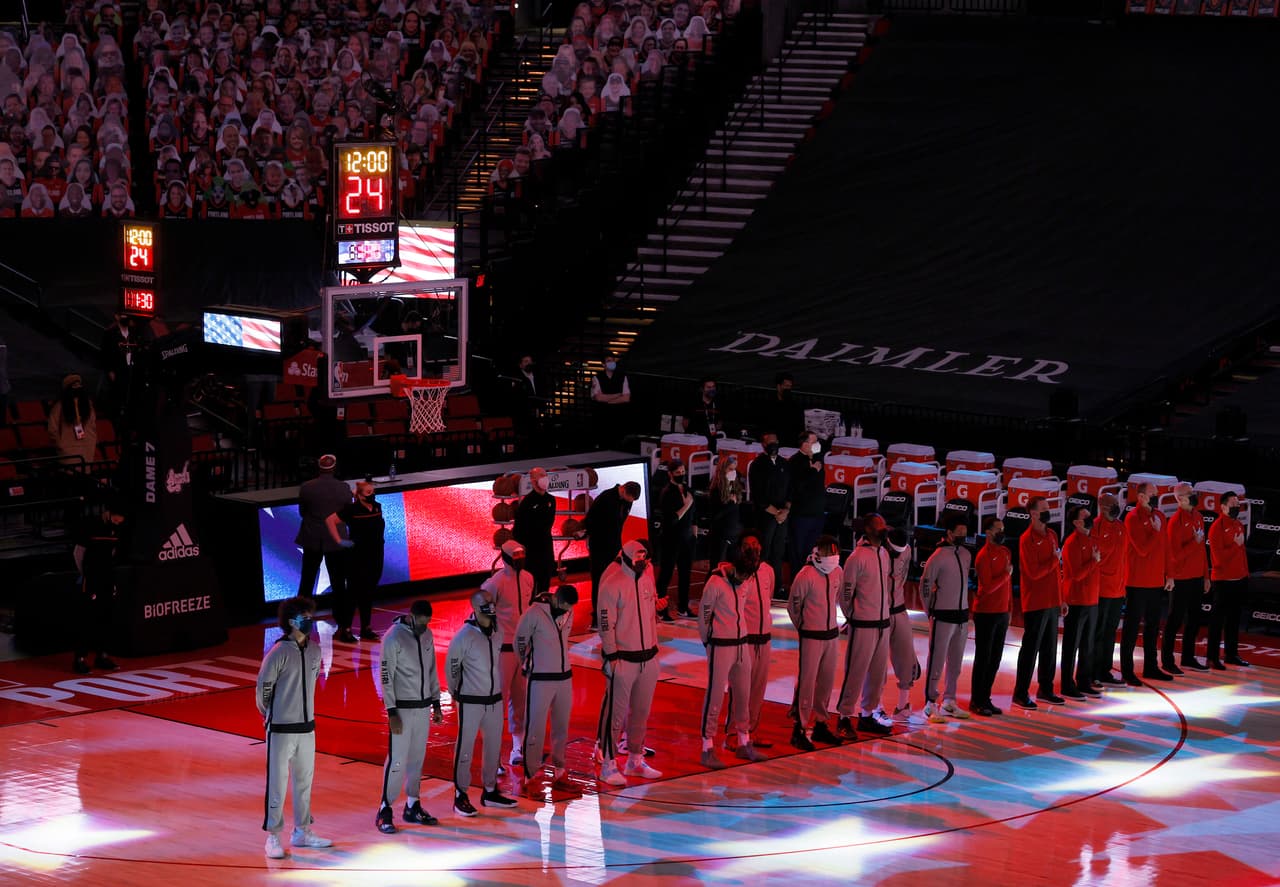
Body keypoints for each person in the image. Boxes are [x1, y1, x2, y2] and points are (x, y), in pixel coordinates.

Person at [257, 596, 332, 859]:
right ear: (291, 621)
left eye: (311, 616)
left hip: (307, 729)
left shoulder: (315, 650)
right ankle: (273, 837)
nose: (310, 621)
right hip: (280, 729)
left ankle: (302, 831)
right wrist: (271, 715)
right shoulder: (278, 652)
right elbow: (263, 690)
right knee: (277, 784)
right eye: (304, 617)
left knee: (304, 783)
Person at [596, 539, 663, 787]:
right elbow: (606, 624)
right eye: (637, 558)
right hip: (623, 659)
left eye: (644, 558)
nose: (642, 562)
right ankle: (608, 764)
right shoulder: (612, 584)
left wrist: (654, 650)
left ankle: (635, 759)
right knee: (616, 715)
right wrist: (612, 656)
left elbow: (650, 615)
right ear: (625, 558)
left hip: (648, 657)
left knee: (641, 713)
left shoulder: (647, 579)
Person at [375, 600, 446, 834]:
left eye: (427, 623)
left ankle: (413, 804)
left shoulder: (427, 635)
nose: (424, 628)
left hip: (423, 707)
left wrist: (436, 703)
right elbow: (385, 676)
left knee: (417, 758)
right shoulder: (393, 637)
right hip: (402, 709)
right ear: (411, 616)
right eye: (421, 623)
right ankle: (385, 808)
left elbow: (432, 669)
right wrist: (391, 711)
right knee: (397, 759)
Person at [698, 539, 767, 769]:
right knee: (715, 696)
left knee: (743, 695)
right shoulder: (715, 583)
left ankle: (744, 742)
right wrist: (709, 643)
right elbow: (703, 617)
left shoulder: (745, 580)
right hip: (720, 645)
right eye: (744, 574)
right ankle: (707, 747)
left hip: (741, 644)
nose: (746, 578)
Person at [446, 589, 510, 817]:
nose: (491, 607)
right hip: (470, 701)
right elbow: (452, 669)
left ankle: (490, 791)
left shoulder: (498, 631)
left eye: (492, 602)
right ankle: (460, 795)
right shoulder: (464, 637)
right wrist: (457, 693)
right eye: (485, 604)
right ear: (475, 608)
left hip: (494, 699)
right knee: (465, 747)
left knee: (493, 746)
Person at [515, 585, 582, 799]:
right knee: (535, 728)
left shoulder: (568, 611)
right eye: (566, 606)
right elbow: (520, 641)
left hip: (564, 677)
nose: (568, 610)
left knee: (561, 728)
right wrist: (528, 663)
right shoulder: (534, 613)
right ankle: (530, 778)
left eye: (571, 607)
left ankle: (560, 773)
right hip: (540, 678)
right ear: (556, 600)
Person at [833, 515, 895, 737]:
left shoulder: (884, 554)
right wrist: (853, 616)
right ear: (868, 529)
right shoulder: (856, 557)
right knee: (856, 672)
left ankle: (868, 714)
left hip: (882, 623)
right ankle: (844, 716)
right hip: (863, 624)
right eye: (880, 526)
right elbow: (845, 593)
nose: (884, 529)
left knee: (878, 674)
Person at [786, 534, 845, 750]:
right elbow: (793, 607)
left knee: (826, 682)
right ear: (818, 552)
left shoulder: (838, 572)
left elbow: (836, 598)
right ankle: (799, 727)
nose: (833, 556)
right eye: (829, 552)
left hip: (831, 635)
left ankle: (821, 723)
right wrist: (804, 627)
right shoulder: (806, 575)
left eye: (835, 552)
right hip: (811, 636)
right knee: (807, 682)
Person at [481, 540, 534, 768]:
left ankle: (517, 746)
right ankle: (492, 753)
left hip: (523, 648)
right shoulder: (495, 583)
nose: (520, 559)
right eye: (516, 555)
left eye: (522, 554)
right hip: (502, 649)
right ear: (506, 557)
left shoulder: (528, 578)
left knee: (520, 699)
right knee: (498, 701)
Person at [1013, 497, 1066, 709]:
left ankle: (1045, 688)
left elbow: (1056, 572)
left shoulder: (1052, 534)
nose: (1048, 511)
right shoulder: (1027, 539)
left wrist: (1061, 599)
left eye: (1048, 508)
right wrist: (1054, 560)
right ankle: (1020, 692)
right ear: (1033, 513)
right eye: (1043, 509)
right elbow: (1033, 573)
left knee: (1050, 649)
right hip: (1035, 601)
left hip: (1052, 600)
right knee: (1031, 648)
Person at [294, 454, 355, 640]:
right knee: (339, 585)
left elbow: (302, 512)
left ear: (318, 468)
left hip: (312, 539)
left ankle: (299, 629)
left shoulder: (307, 488)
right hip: (336, 541)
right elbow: (348, 512)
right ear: (334, 468)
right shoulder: (344, 488)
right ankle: (344, 628)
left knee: (306, 584)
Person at [920, 513, 974, 723]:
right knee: (937, 660)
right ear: (949, 533)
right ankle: (930, 702)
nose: (962, 536)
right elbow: (925, 585)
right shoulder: (938, 557)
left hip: (961, 616)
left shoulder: (966, 554)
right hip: (942, 616)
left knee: (956, 663)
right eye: (959, 533)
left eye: (965, 532)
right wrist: (930, 610)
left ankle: (950, 699)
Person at [1120, 483, 1173, 685]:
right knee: (1132, 627)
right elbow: (1142, 550)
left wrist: (1169, 574)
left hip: (1156, 581)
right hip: (1137, 581)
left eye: (1156, 494)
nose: (1156, 496)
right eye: (1152, 494)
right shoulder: (1132, 518)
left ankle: (1151, 667)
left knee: (1153, 627)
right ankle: (1127, 671)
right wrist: (1155, 532)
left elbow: (1165, 547)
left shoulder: (1159, 516)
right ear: (1141, 497)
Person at [727, 533, 775, 747]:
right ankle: (732, 733)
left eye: (755, 543)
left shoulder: (768, 571)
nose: (752, 548)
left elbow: (768, 599)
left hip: (764, 639)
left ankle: (749, 732)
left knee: (758, 689)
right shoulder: (734, 573)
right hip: (744, 640)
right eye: (747, 545)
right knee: (740, 688)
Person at [71, 497, 125, 674]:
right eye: (116, 518)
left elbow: (113, 553)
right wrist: (85, 574)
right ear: (109, 513)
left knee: (107, 617)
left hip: (108, 579)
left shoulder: (116, 530)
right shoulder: (91, 525)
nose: (118, 522)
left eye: (120, 520)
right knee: (88, 619)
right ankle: (80, 659)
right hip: (91, 580)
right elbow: (78, 553)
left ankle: (102, 655)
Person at [877, 527, 923, 725]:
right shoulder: (873, 553)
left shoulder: (907, 551)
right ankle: (876, 707)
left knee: (906, 660)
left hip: (899, 608)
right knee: (877, 663)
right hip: (878, 613)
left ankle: (903, 706)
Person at [1164, 483, 1210, 673]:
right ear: (1180, 498)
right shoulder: (1175, 522)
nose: (1194, 495)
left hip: (1197, 577)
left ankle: (1188, 658)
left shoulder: (1198, 516)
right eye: (1190, 493)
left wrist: (1206, 576)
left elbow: (1202, 549)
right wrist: (1194, 543)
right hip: (1181, 578)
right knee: (1175, 620)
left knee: (1194, 619)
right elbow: (1174, 555)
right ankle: (1167, 661)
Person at [584, 480, 642, 629]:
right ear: (624, 490)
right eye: (629, 499)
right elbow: (591, 519)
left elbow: (619, 524)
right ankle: (597, 618)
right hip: (599, 546)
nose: (630, 503)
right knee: (599, 581)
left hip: (615, 546)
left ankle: (614, 615)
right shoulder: (606, 498)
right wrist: (584, 532)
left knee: (615, 581)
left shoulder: (627, 502)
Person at [969, 516, 1011, 717]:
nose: (1001, 533)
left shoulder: (1005, 552)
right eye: (998, 530)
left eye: (1003, 529)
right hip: (986, 613)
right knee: (983, 658)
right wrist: (1006, 575)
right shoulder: (983, 556)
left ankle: (986, 697)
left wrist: (1009, 609)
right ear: (988, 532)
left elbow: (1005, 587)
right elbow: (986, 588)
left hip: (1002, 612)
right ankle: (976, 700)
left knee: (995, 658)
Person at [1060, 506, 1101, 701]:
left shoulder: (1092, 539)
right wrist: (1094, 562)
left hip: (1092, 599)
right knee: (1072, 644)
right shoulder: (1072, 543)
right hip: (1076, 600)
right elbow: (1076, 575)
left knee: (1087, 644)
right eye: (1085, 516)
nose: (1089, 517)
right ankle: (1067, 684)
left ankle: (1084, 681)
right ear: (1076, 522)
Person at [1207, 491, 1250, 669]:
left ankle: (1231, 654)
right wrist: (1235, 545)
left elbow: (1242, 553)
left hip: (1239, 579)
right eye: (1232, 504)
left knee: (1234, 619)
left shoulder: (1238, 524)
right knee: (1217, 621)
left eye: (1237, 504)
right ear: (1223, 507)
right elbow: (1218, 559)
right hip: (1223, 581)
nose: (1236, 507)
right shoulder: (1216, 527)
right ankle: (1212, 657)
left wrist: (1245, 574)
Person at [1091, 494, 1129, 686]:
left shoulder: (1121, 527)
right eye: (1112, 504)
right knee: (1097, 633)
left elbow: (1125, 557)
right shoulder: (1095, 527)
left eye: (1116, 504)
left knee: (1110, 632)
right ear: (1102, 506)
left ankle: (1105, 670)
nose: (1116, 507)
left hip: (1118, 589)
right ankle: (1092, 672)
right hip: (1102, 589)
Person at [340, 481, 384, 641]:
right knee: (353, 593)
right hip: (357, 556)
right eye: (368, 492)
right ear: (359, 495)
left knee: (368, 592)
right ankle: (346, 629)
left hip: (376, 554)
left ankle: (366, 627)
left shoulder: (377, 507)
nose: (372, 495)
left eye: (373, 491)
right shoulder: (351, 510)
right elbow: (330, 520)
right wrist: (339, 540)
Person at [749, 432, 790, 597]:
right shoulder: (757, 465)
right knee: (763, 552)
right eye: (769, 443)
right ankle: (760, 585)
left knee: (778, 553)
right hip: (765, 516)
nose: (773, 445)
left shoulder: (784, 463)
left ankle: (777, 587)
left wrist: (785, 510)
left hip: (782, 516)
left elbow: (790, 489)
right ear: (763, 445)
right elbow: (758, 495)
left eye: (775, 442)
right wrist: (776, 512)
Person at [655, 458, 695, 622]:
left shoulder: (687, 489)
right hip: (671, 539)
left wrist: (694, 531)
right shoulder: (667, 493)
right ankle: (661, 609)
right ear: (670, 474)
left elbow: (693, 512)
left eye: (683, 472)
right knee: (666, 574)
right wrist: (686, 505)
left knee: (685, 574)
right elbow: (671, 519)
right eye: (678, 472)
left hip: (687, 538)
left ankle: (683, 607)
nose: (681, 474)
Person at [787, 431, 826, 581]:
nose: (817, 445)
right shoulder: (795, 462)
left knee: (813, 551)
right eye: (813, 442)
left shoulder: (818, 459)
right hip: (801, 515)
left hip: (817, 513)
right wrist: (812, 471)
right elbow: (798, 487)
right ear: (804, 444)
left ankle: (811, 582)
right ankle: (797, 582)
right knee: (798, 552)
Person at [513, 467, 556, 593]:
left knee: (544, 588)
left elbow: (548, 524)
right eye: (541, 476)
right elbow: (518, 530)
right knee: (530, 589)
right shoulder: (527, 503)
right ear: (533, 481)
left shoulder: (551, 500)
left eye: (545, 475)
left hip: (546, 550)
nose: (544, 478)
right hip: (531, 553)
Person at [47, 373, 99, 464]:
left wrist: (92, 441)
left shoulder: (88, 405)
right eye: (74, 385)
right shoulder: (59, 407)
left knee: (86, 470)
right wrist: (60, 444)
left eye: (79, 385)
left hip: (87, 446)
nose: (77, 387)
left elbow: (93, 424)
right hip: (67, 448)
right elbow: (52, 429)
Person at [707, 454, 743, 567]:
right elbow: (715, 515)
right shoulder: (716, 489)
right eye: (730, 469)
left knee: (733, 566)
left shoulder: (734, 486)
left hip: (733, 533)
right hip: (720, 535)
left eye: (734, 469)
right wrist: (731, 503)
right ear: (723, 470)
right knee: (718, 566)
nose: (733, 472)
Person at [590, 352, 631, 448]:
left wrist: (607, 400)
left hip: (618, 417)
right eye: (609, 361)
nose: (612, 363)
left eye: (613, 360)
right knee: (604, 444)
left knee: (619, 444)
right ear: (603, 364)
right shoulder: (597, 378)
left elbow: (626, 398)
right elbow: (598, 397)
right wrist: (617, 395)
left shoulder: (622, 377)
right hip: (602, 418)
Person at [761, 371, 804, 444]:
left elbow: (799, 425)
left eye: (790, 386)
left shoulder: (795, 405)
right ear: (778, 386)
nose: (788, 388)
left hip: (790, 440)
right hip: (772, 440)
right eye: (786, 386)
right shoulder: (768, 403)